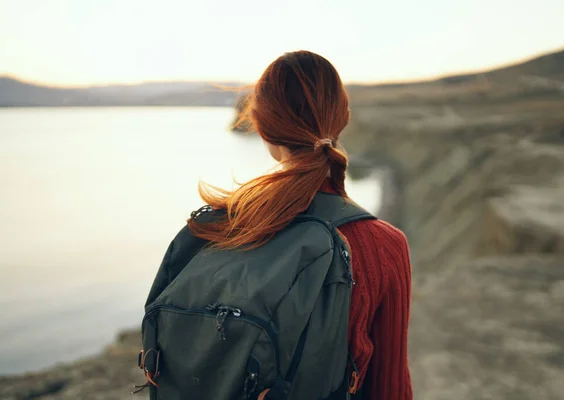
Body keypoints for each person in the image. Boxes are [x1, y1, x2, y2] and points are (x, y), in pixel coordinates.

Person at [139, 50, 412, 400]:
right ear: (343, 118)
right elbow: (390, 390)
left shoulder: (219, 228)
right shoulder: (383, 245)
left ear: (262, 127)